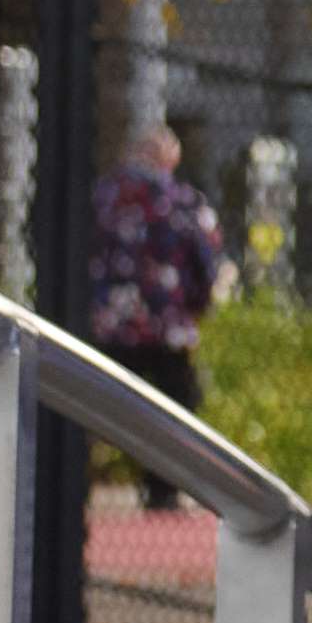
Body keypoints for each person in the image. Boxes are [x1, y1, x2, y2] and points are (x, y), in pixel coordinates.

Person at [87, 109, 234, 491]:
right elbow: (206, 263)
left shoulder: (101, 198)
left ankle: (76, 480)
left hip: (110, 322)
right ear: (171, 158)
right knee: (173, 411)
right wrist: (198, 307)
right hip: (167, 326)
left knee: (96, 404)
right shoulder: (182, 203)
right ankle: (163, 490)